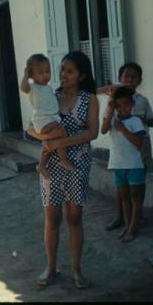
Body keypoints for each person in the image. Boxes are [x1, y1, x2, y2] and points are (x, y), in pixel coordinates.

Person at [26, 51, 99, 289]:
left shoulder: (89, 99)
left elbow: (92, 133)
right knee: (52, 219)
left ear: (82, 75)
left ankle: (77, 270)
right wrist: (46, 140)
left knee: (74, 218)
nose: (62, 75)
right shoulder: (49, 95)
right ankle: (51, 267)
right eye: (61, 69)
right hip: (51, 166)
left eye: (69, 71)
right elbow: (30, 128)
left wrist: (57, 143)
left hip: (77, 164)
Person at [98, 62, 153, 230]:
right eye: (126, 76)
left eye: (134, 76)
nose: (130, 79)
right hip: (121, 149)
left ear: (140, 80)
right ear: (119, 78)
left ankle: (138, 217)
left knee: (138, 183)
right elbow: (105, 126)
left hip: (140, 145)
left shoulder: (143, 101)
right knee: (121, 187)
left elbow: (152, 121)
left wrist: (139, 120)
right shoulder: (113, 102)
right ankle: (120, 217)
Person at [101, 86, 146, 242]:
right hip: (117, 165)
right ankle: (128, 226)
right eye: (118, 106)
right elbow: (103, 130)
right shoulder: (113, 120)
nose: (122, 109)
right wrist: (109, 109)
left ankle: (133, 228)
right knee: (124, 198)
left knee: (136, 199)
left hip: (134, 165)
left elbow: (139, 143)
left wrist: (123, 129)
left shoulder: (136, 121)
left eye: (126, 104)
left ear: (132, 104)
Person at [20, 54, 76, 179]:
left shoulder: (48, 87)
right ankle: (62, 159)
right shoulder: (33, 88)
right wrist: (25, 75)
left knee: (51, 140)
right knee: (60, 132)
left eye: (47, 71)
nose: (45, 75)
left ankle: (42, 165)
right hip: (42, 120)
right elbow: (23, 88)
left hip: (50, 118)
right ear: (31, 75)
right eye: (40, 72)